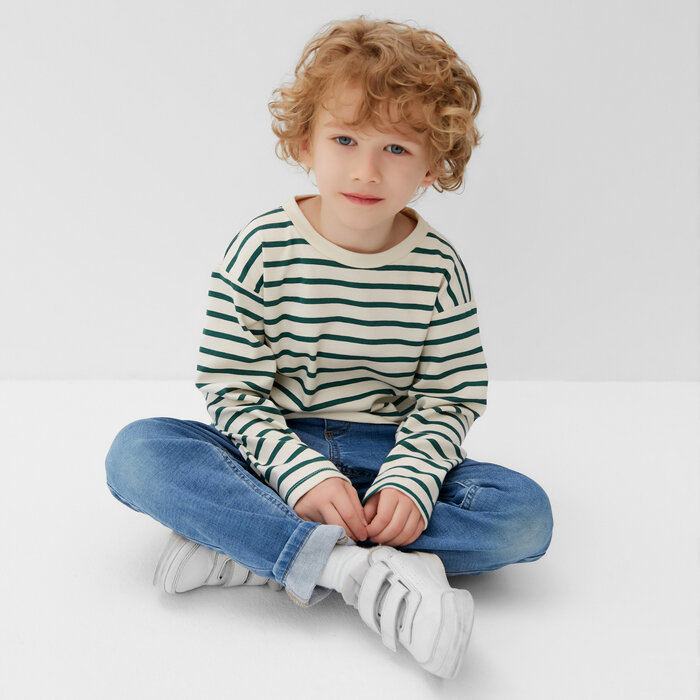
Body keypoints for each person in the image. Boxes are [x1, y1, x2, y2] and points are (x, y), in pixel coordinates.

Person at [105, 15, 553, 680]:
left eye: (396, 148)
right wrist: (300, 473)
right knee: (138, 452)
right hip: (271, 453)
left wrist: (411, 480)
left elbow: (448, 399)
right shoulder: (260, 249)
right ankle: (350, 570)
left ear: (432, 165)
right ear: (305, 143)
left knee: (525, 516)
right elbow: (232, 391)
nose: (365, 170)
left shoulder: (438, 269)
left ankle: (256, 548)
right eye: (344, 139)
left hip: (385, 458)